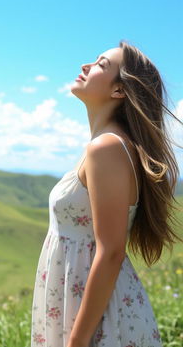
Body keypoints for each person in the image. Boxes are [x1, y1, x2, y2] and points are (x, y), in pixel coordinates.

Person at [30, 40, 183, 347]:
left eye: (101, 65)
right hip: (86, 303)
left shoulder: (107, 148)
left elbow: (111, 250)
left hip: (101, 319)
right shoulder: (107, 145)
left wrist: (78, 339)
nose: (85, 66)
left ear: (119, 91)